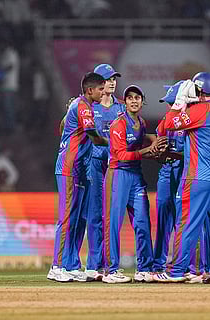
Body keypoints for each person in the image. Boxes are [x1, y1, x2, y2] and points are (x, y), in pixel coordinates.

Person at [155, 72, 210, 284]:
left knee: (188, 223)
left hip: (202, 176)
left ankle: (176, 271)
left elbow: (171, 123)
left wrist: (181, 101)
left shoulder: (201, 109)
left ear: (199, 91)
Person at [102, 85, 167, 284]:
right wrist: (148, 150)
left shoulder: (142, 122)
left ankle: (144, 269)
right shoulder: (118, 125)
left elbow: (139, 150)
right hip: (118, 175)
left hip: (136, 176)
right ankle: (111, 270)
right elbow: (121, 156)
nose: (134, 101)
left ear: (142, 101)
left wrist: (155, 152)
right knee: (113, 223)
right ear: (125, 102)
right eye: (129, 98)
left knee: (142, 222)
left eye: (137, 97)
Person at [47, 72, 107, 283]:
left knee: (76, 218)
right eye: (100, 88)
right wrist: (115, 143)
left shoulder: (85, 107)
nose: (103, 92)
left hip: (79, 169)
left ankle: (71, 265)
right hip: (68, 168)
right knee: (66, 219)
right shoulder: (82, 107)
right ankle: (56, 266)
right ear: (90, 90)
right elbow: (93, 136)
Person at [154, 81, 207, 283]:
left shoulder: (193, 120)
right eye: (168, 103)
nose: (169, 106)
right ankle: (158, 265)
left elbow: (193, 153)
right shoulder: (167, 120)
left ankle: (190, 268)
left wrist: (173, 154)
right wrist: (157, 152)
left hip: (186, 173)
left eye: (172, 102)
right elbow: (158, 141)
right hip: (167, 173)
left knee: (185, 221)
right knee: (163, 221)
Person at [84, 64, 125, 281]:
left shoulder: (121, 108)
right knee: (95, 215)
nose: (112, 82)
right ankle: (93, 266)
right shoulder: (89, 106)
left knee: (110, 215)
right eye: (107, 79)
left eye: (114, 79)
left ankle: (110, 266)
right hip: (94, 163)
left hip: (114, 164)